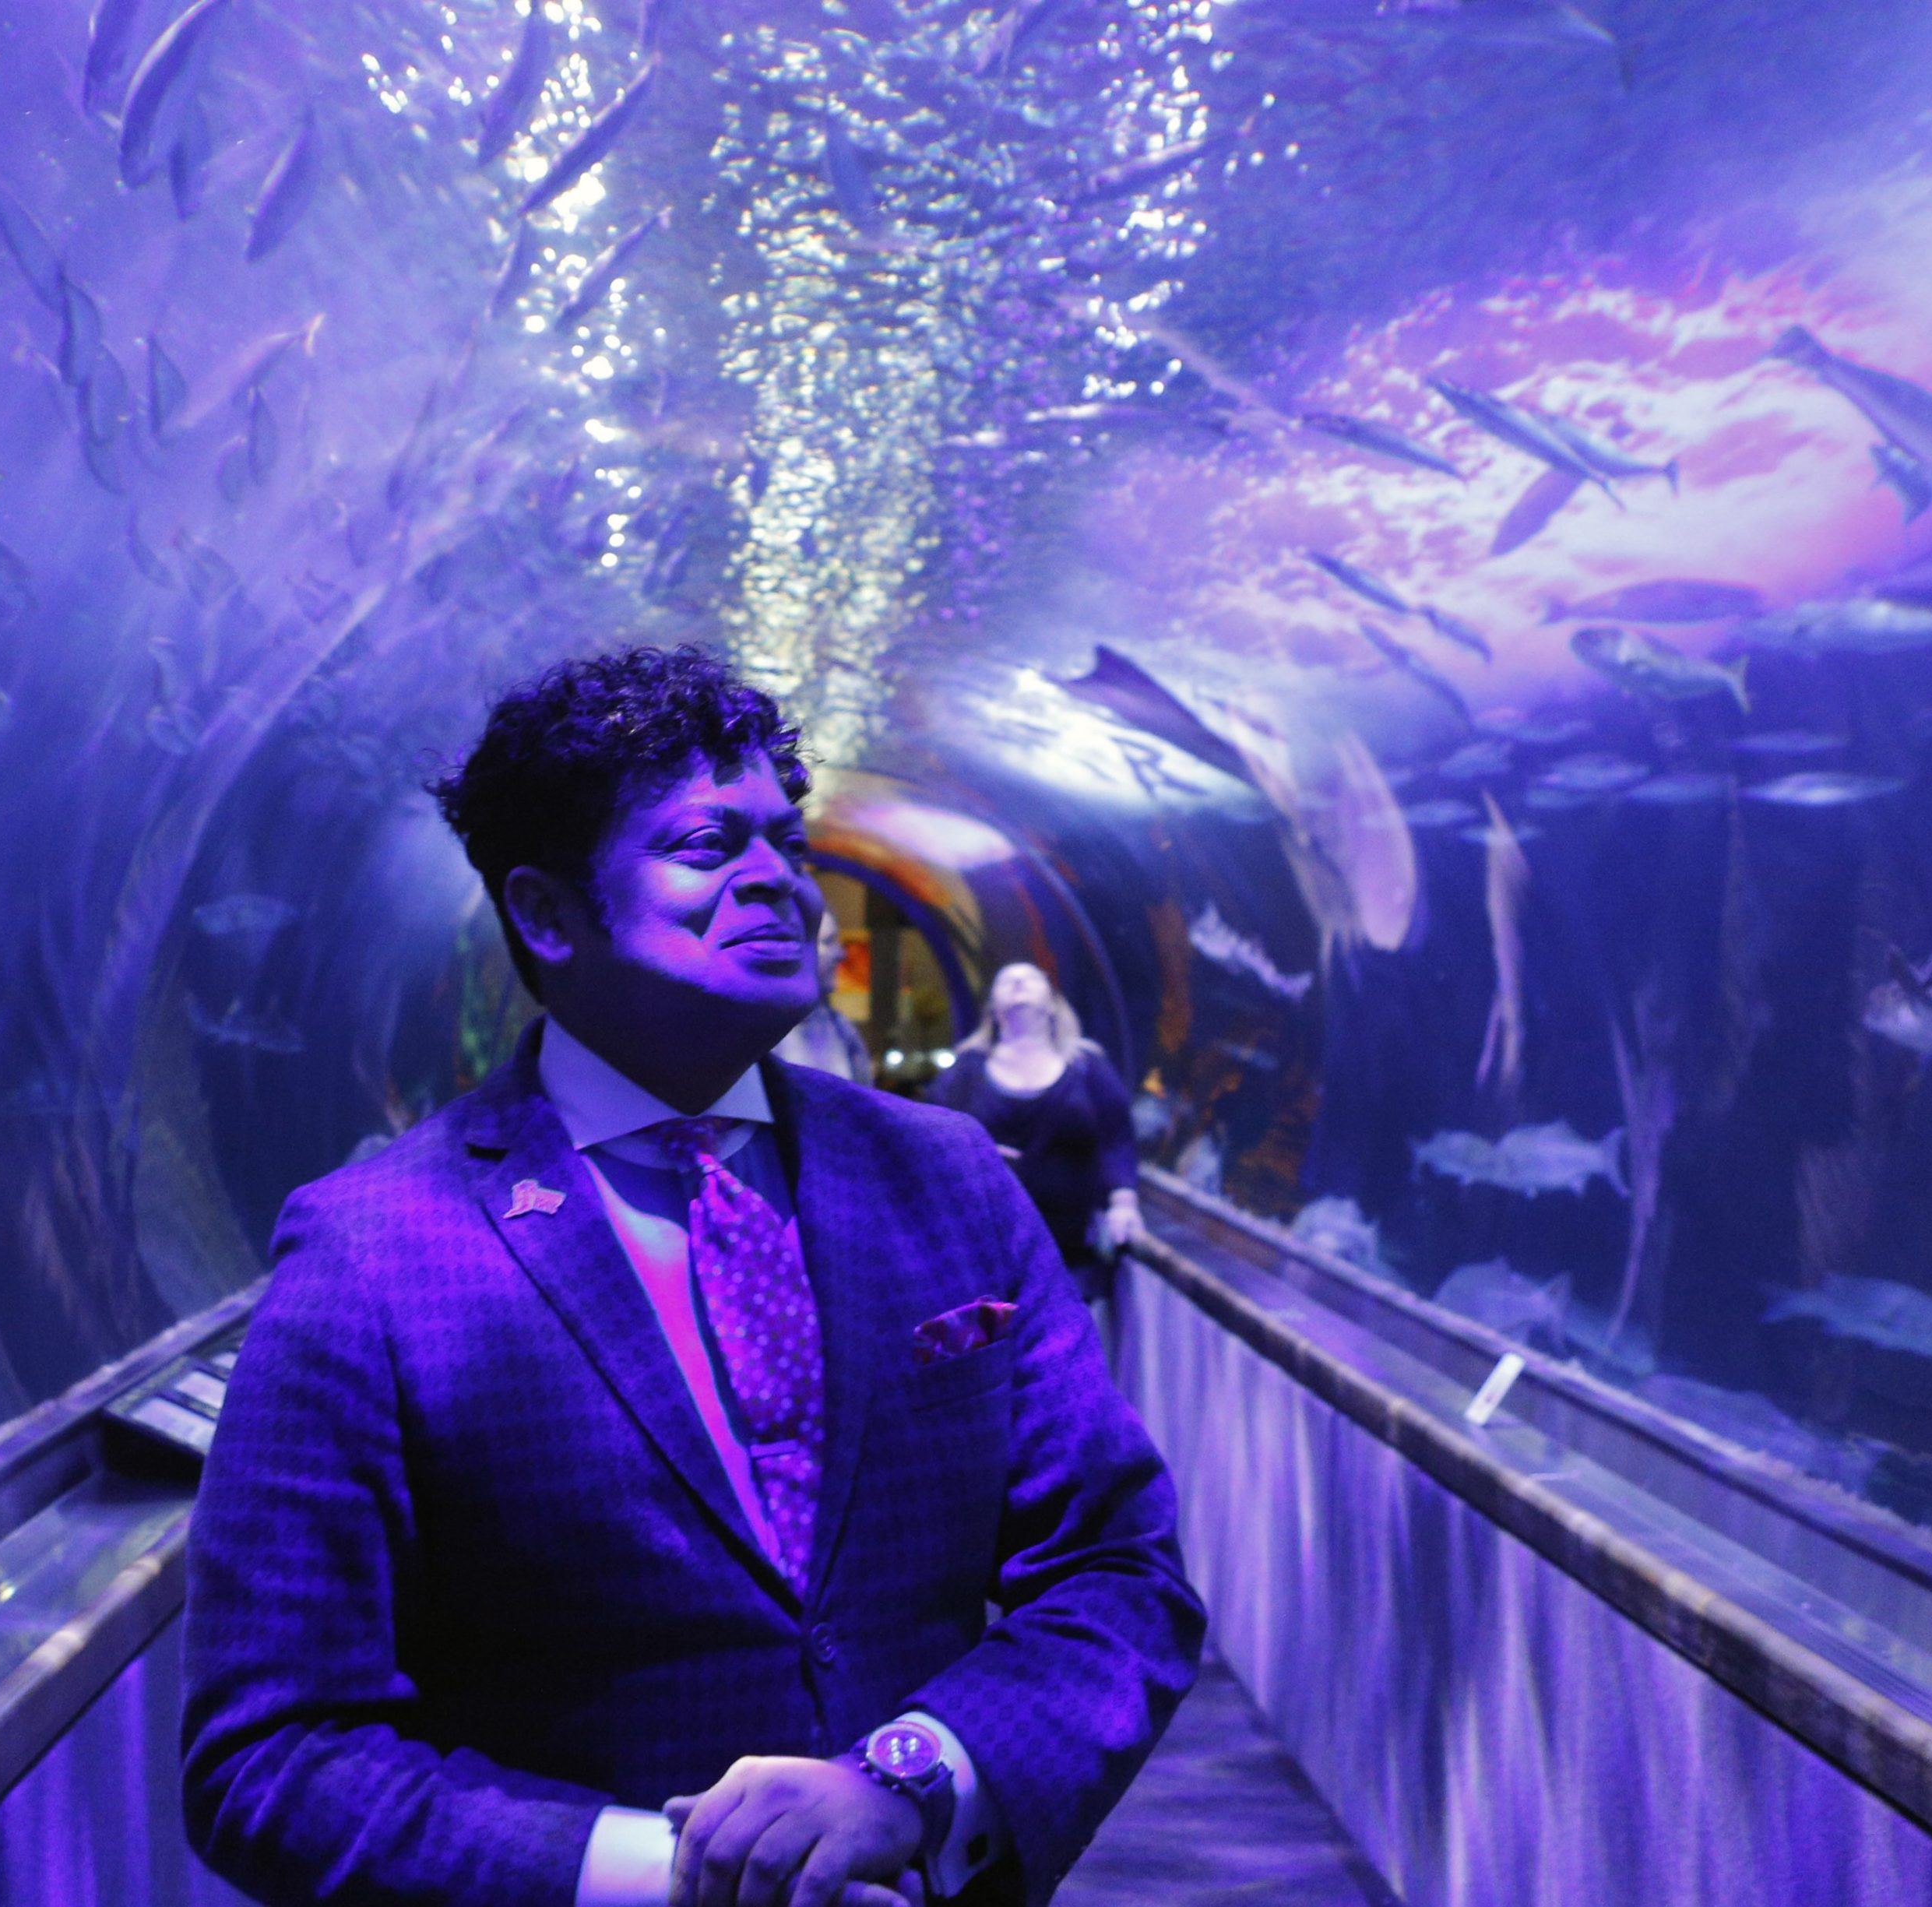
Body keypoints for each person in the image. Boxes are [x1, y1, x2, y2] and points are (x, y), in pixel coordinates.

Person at [183, 647, 1204, 1907]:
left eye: (786, 838)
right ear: (548, 914)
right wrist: (680, 1873)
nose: (779, 876)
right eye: (709, 844)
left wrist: (915, 1781)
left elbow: (1119, 1567)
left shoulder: (945, 1177)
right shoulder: (374, 1249)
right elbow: (272, 1752)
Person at [930, 966, 1146, 1308]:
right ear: (992, 1007)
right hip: (985, 1257)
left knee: (1063, 1352)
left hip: (1073, 1255)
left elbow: (1117, 1137)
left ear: (1052, 1002)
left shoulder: (1086, 1066)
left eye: (1031, 978)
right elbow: (930, 1140)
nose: (1018, 983)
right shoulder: (965, 1071)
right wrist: (972, 1156)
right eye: (1005, 979)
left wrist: (1124, 1202)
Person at [772, 912, 873, 1084]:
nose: (841, 954)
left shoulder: (842, 1027)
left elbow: (866, 1102)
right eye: (829, 941)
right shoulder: (762, 1031)